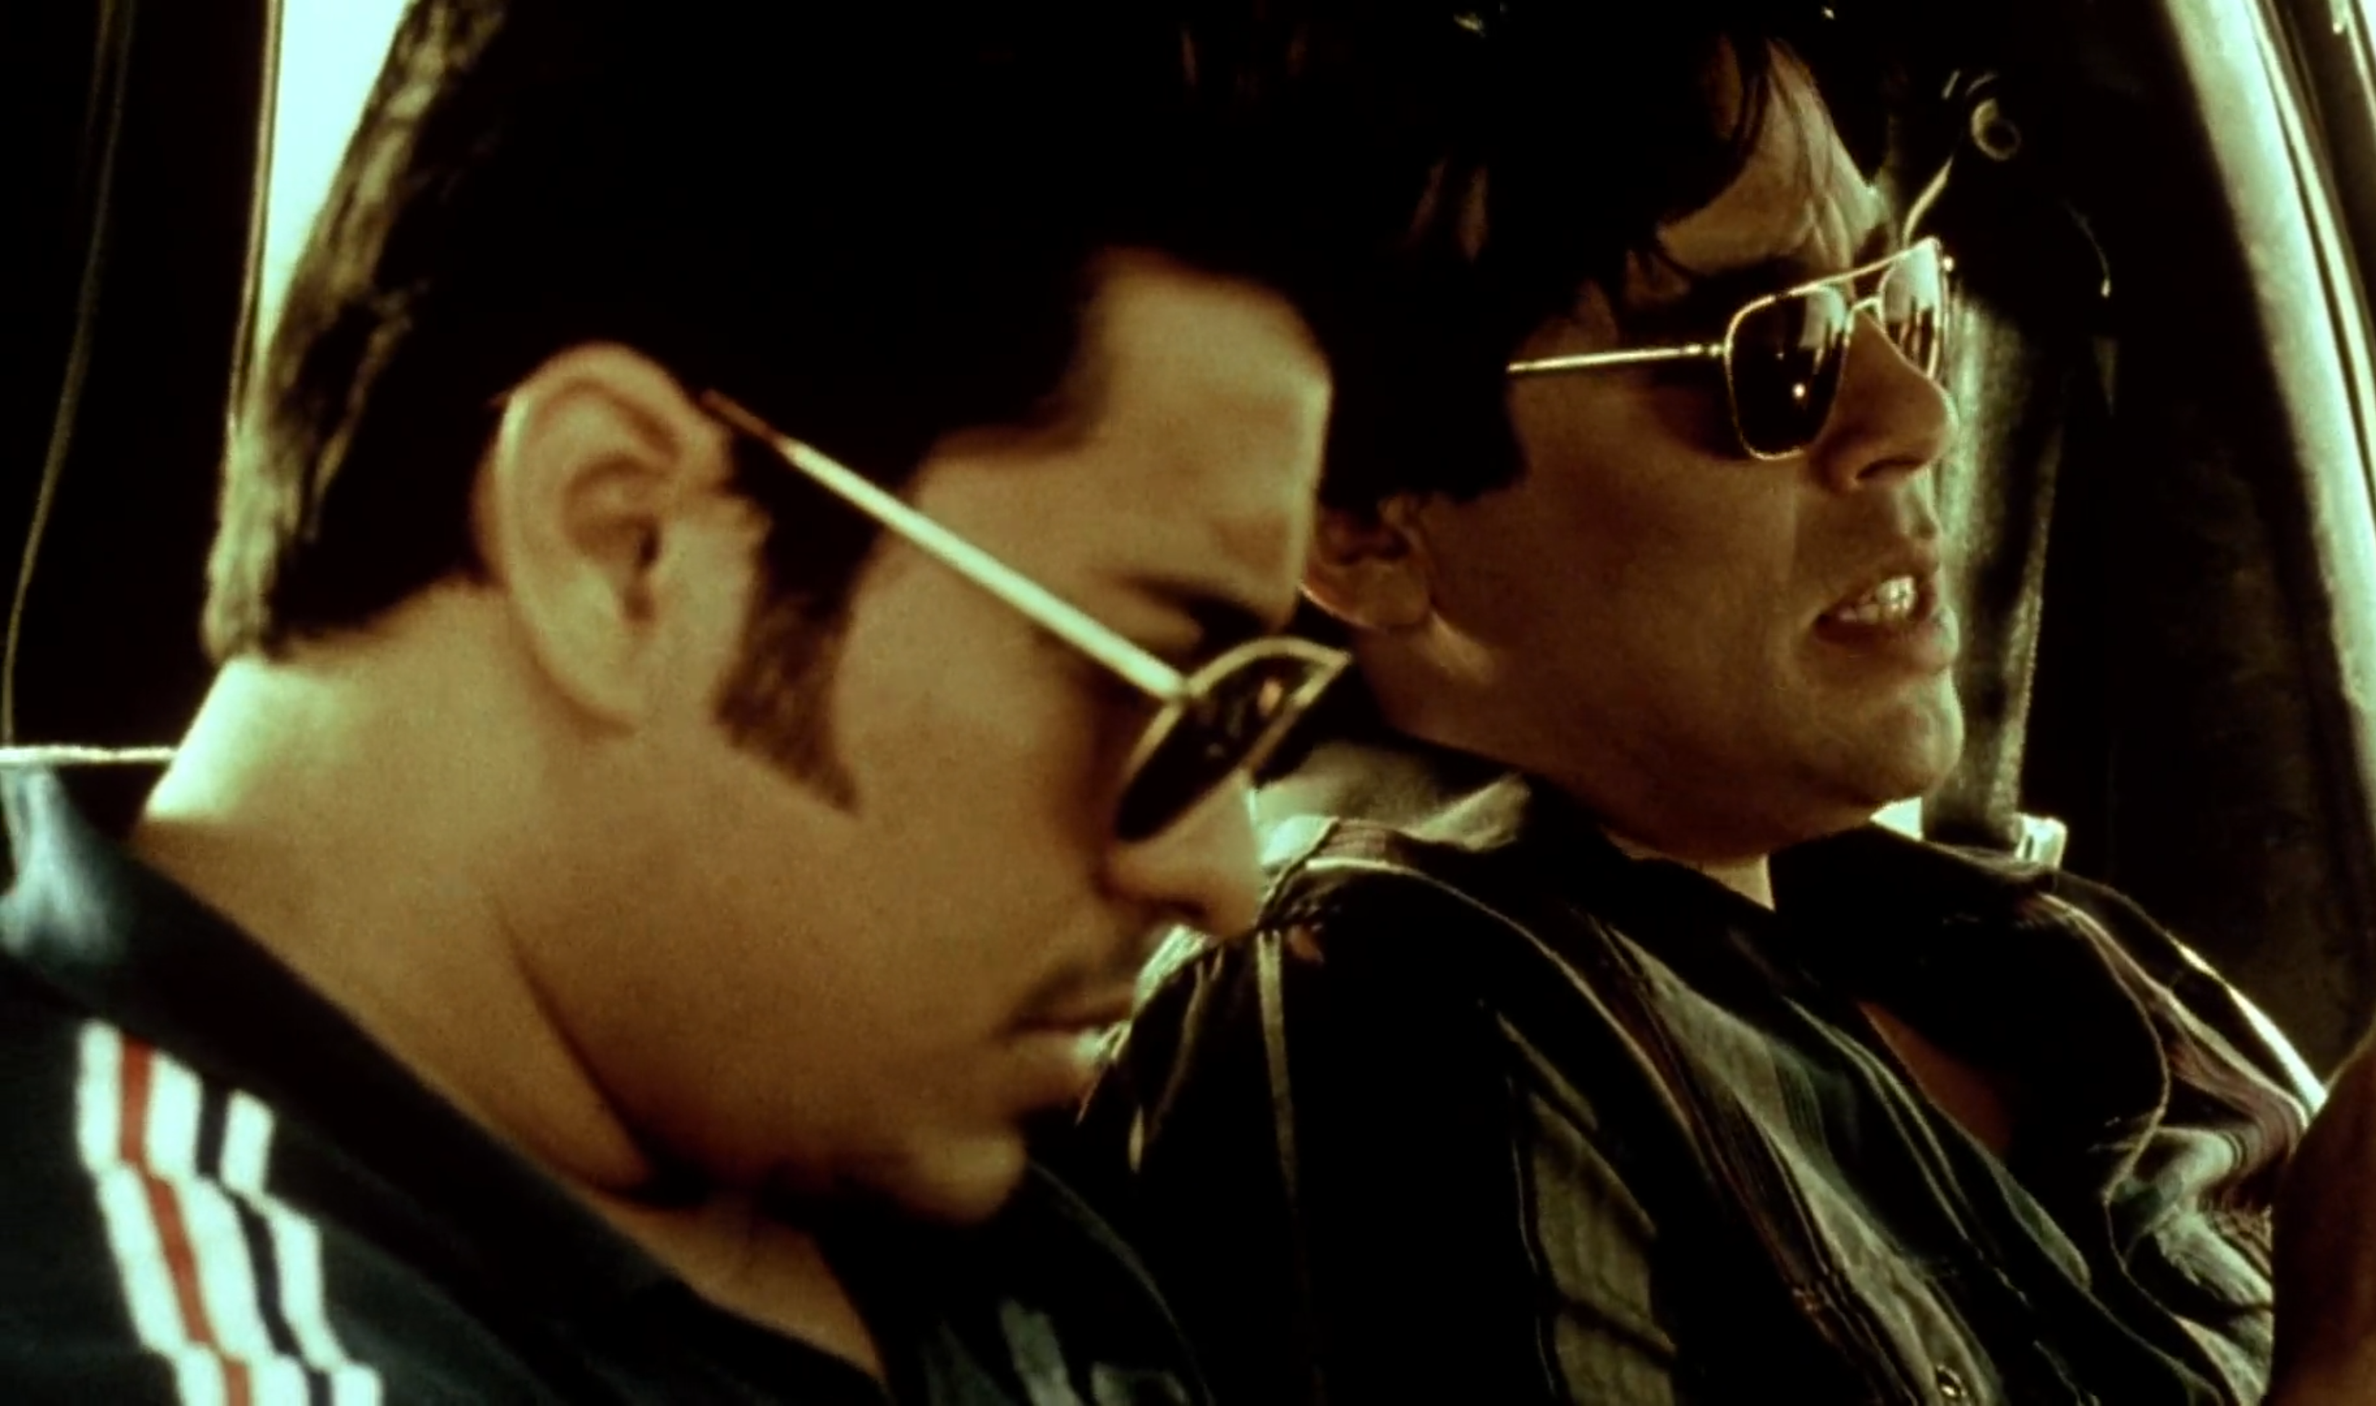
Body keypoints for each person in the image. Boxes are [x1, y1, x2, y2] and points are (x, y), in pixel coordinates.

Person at [1085, 3, 2376, 1402]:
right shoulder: (1376, 1018)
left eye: (1899, 302)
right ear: (1365, 527)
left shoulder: (2049, 948)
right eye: (1775, 355)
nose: (1921, 417)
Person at [0, 2, 1368, 1400]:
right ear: (625, 542)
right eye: (1156, 684)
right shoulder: (197, 1350)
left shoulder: (884, 1160)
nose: (1221, 878)